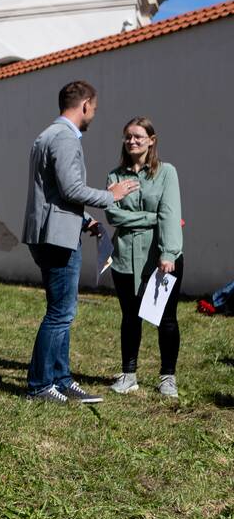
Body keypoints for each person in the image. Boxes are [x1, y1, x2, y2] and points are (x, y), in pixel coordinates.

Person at [21, 80, 140, 404]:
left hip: (51, 231)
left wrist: (83, 218)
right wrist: (109, 196)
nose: (94, 115)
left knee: (61, 311)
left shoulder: (46, 135)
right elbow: (72, 188)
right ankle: (40, 386)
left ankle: (60, 379)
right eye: (95, 109)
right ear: (84, 104)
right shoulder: (65, 138)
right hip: (57, 239)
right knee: (61, 313)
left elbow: (54, 193)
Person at [105, 117, 183, 398]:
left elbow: (171, 215)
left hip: (161, 256)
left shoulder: (166, 173)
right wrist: (151, 217)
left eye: (138, 136)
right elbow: (112, 214)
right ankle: (129, 374)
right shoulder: (115, 177)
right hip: (125, 256)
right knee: (130, 316)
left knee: (167, 318)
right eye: (128, 136)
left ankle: (167, 377)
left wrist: (168, 253)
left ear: (152, 140)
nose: (132, 141)